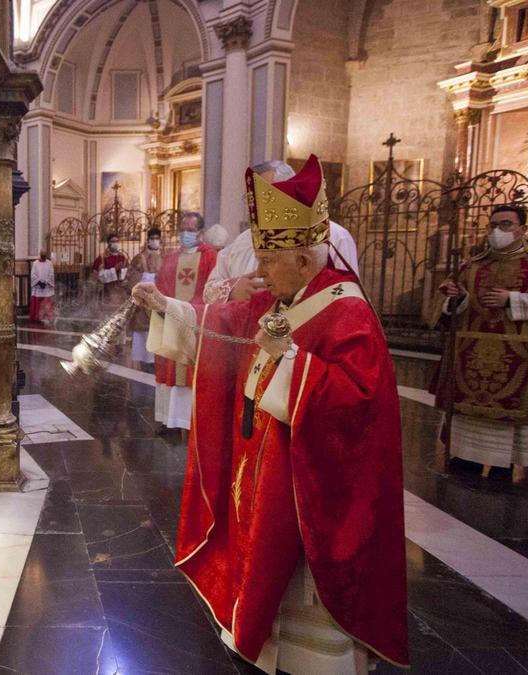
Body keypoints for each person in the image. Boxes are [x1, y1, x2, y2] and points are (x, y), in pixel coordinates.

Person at [133, 154, 409, 673]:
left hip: (308, 487)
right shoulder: (281, 297)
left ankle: (314, 658)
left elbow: (359, 401)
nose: (257, 270)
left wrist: (291, 361)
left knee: (299, 578)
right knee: (262, 557)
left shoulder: (347, 311)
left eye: (268, 258)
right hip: (263, 469)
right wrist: (166, 306)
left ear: (305, 261)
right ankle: (260, 631)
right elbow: (228, 324)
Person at [433, 203, 528, 481]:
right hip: (471, 355)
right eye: (493, 225)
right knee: (469, 415)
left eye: (506, 224)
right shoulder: (473, 263)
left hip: (520, 355)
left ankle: (504, 463)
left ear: (522, 229)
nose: (498, 230)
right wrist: (457, 297)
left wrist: (512, 299)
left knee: (508, 418)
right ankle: (465, 456)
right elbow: (448, 303)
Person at [203, 160, 359, 304]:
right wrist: (231, 289)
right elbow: (208, 290)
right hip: (244, 330)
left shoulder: (336, 236)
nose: (258, 204)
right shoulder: (242, 241)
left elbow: (346, 294)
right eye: (252, 197)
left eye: (267, 195)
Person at [153, 213, 216, 432]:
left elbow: (213, 287)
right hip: (171, 320)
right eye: (183, 229)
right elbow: (161, 283)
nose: (185, 234)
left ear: (200, 232)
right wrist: (164, 305)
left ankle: (187, 421)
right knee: (168, 367)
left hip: (195, 322)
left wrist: (191, 308)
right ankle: (168, 420)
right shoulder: (171, 257)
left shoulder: (210, 257)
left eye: (190, 229)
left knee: (189, 371)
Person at [127, 228, 164, 371]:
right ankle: (144, 365)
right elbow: (130, 281)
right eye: (152, 238)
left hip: (160, 303)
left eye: (157, 238)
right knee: (144, 339)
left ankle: (158, 363)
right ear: (148, 240)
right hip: (143, 306)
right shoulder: (139, 258)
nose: (154, 241)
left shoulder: (166, 257)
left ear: (160, 240)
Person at [92, 233, 128, 306]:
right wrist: (114, 269)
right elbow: (100, 275)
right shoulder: (102, 257)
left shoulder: (122, 257)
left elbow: (127, 273)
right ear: (108, 243)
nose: (115, 243)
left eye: (117, 241)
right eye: (113, 241)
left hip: (120, 288)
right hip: (107, 289)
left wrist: (122, 270)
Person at [28, 251, 56, 325]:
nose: (43, 257)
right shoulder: (35, 263)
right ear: (40, 255)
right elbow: (33, 274)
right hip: (38, 287)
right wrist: (39, 282)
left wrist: (45, 282)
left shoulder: (49, 263)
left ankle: (47, 317)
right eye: (42, 256)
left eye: (44, 256)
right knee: (38, 302)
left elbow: (51, 274)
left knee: (47, 303)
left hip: (47, 287)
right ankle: (37, 318)